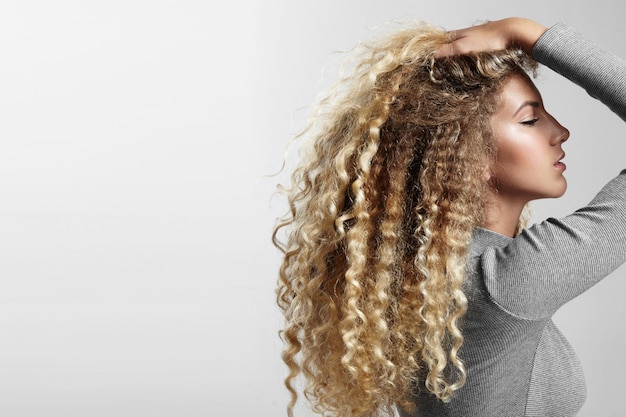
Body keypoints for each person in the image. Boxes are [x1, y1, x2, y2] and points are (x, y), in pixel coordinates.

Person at [272, 16, 626, 416]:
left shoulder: (428, 273)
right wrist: (527, 33)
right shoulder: (503, 282)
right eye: (530, 120)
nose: (561, 132)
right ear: (466, 156)